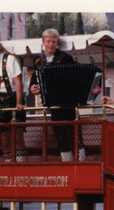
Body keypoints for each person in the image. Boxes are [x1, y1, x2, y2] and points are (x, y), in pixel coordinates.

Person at [28, 28, 80, 161]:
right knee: (59, 133)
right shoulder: (38, 60)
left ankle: (80, 161)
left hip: (67, 102)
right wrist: (33, 86)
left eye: (54, 42)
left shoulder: (65, 58)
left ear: (57, 43)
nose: (51, 44)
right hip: (51, 102)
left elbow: (72, 79)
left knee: (73, 133)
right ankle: (66, 161)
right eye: (48, 41)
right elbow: (35, 77)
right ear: (43, 42)